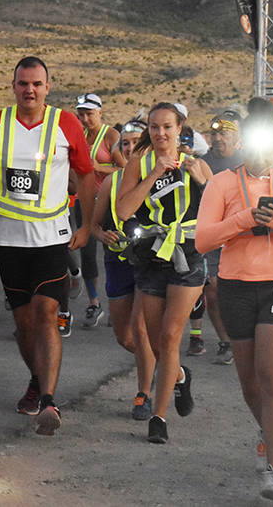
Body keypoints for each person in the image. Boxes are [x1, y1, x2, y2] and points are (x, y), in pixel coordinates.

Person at [0, 56, 95, 436]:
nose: (30, 90)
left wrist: (87, 225)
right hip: (7, 241)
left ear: (47, 87)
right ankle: (37, 380)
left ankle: (50, 401)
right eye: (23, 83)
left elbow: (86, 175)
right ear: (13, 86)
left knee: (45, 313)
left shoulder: (65, 123)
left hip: (52, 239)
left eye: (37, 84)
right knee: (23, 325)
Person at [196, 115, 273, 502]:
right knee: (250, 382)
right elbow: (203, 240)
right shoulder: (221, 183)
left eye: (270, 146)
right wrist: (243, 218)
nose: (262, 153)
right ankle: (268, 436)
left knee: (272, 375)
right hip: (236, 286)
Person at [113, 102, 212, 444]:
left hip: (188, 255)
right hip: (152, 256)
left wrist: (201, 180)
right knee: (155, 341)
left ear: (180, 127)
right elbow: (123, 209)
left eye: (167, 127)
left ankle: (159, 417)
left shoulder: (196, 164)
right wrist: (155, 172)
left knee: (170, 337)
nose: (160, 133)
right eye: (154, 127)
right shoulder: (139, 164)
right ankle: (180, 376)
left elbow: (218, 207)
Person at [89, 120, 156, 420]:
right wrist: (101, 235)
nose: (130, 148)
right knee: (125, 337)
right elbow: (93, 224)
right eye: (125, 143)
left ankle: (144, 394)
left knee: (141, 331)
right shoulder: (111, 182)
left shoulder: (160, 176)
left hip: (149, 263)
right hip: (116, 262)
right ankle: (172, 371)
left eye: (136, 142)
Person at [74, 92, 125, 329]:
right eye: (81, 114)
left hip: (107, 202)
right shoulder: (79, 136)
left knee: (113, 251)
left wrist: (99, 167)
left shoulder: (111, 135)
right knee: (86, 253)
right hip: (84, 201)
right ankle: (95, 303)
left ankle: (119, 302)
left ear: (100, 112)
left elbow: (126, 170)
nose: (84, 119)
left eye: (89, 114)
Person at [200, 111, 243, 365]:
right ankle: (225, 341)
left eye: (223, 133)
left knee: (240, 292)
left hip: (243, 238)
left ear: (237, 137)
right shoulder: (200, 162)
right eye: (213, 133)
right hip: (213, 237)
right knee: (213, 292)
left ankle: (246, 338)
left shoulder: (249, 161)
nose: (217, 138)